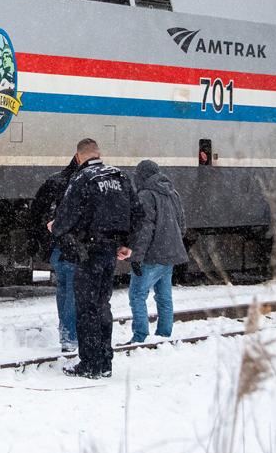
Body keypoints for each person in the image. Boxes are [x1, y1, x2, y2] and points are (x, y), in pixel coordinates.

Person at [51, 138, 138, 378]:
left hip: (87, 252)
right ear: (99, 153)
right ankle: (105, 362)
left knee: (86, 308)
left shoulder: (81, 179)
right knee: (103, 305)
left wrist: (55, 227)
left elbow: (66, 216)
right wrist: (126, 243)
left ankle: (89, 364)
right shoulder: (121, 177)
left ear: (78, 157)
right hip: (110, 252)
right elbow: (137, 213)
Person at [127, 159, 189, 344]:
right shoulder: (172, 193)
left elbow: (145, 230)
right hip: (169, 255)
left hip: (151, 255)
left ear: (142, 176)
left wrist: (136, 257)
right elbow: (182, 225)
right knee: (164, 296)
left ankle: (140, 336)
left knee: (137, 295)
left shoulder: (146, 195)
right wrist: (170, 242)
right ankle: (164, 333)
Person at [27, 153, 81, 351]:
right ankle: (70, 336)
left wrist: (36, 239)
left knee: (64, 290)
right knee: (74, 292)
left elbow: (36, 212)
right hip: (76, 248)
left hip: (59, 248)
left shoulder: (55, 181)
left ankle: (66, 333)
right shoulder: (85, 185)